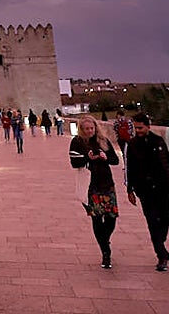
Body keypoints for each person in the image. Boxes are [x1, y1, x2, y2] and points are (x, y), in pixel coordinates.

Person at [125, 113, 169, 271]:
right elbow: (129, 168)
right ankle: (161, 254)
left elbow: (166, 163)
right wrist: (129, 189)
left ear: (148, 126)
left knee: (165, 216)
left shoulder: (158, 141)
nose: (137, 130)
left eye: (140, 127)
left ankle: (160, 241)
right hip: (144, 189)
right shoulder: (131, 145)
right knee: (152, 220)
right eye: (136, 127)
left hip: (162, 188)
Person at [69, 115, 120, 268]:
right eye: (87, 129)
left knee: (111, 218)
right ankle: (105, 252)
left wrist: (105, 157)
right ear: (82, 130)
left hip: (106, 183)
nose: (90, 131)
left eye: (92, 128)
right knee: (97, 218)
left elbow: (115, 160)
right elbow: (73, 162)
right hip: (91, 186)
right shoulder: (77, 142)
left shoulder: (103, 141)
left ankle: (104, 239)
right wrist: (87, 157)